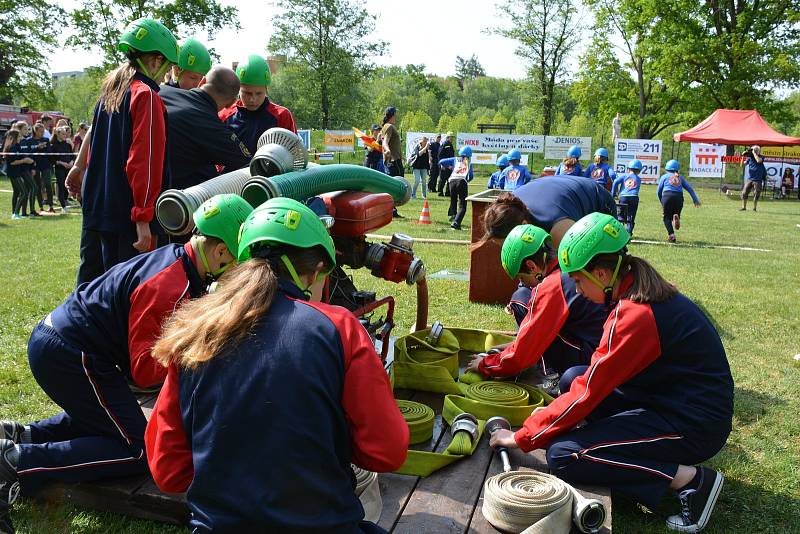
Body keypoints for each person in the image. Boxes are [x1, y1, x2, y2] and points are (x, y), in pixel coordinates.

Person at [145, 197, 408, 532]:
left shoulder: (195, 330)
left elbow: (168, 470)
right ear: (316, 272)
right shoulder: (339, 328)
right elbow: (387, 451)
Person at [0, 195, 253, 533]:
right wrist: (203, 356)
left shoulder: (180, 263)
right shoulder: (170, 286)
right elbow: (144, 369)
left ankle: (23, 435)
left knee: (112, 424)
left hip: (70, 347)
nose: (239, 271)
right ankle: (17, 464)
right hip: (70, 354)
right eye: (239, 261)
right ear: (221, 252)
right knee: (137, 450)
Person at [489, 212, 733, 534]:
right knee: (570, 377)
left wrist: (522, 436)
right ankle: (617, 448)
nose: (576, 288)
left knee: (565, 455)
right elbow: (589, 379)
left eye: (578, 280)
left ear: (602, 274)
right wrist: (553, 419)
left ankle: (691, 481)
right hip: (670, 399)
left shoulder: (635, 315)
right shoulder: (635, 291)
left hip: (695, 422)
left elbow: (589, 390)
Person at [76, 18, 178, 286]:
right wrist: (143, 218)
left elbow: (94, 147)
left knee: (90, 290)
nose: (166, 73)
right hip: (127, 219)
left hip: (98, 210)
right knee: (124, 296)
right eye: (166, 65)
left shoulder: (110, 90)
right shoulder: (146, 95)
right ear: (155, 61)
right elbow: (144, 161)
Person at [467, 224, 606, 393]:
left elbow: (524, 353)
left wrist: (485, 364)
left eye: (521, 277)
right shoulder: (563, 267)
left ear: (532, 267)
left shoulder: (552, 286)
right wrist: (512, 346)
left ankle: (551, 377)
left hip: (593, 357)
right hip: (597, 345)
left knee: (520, 300)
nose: (522, 283)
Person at [160, 66, 252, 191]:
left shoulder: (161, 91)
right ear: (231, 103)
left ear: (202, 82)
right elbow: (249, 166)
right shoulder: (215, 129)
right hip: (174, 200)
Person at [477, 175, 616, 250]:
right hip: (559, 191)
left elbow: (567, 275)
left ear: (525, 225)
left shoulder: (559, 229)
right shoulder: (511, 206)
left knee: (602, 259)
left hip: (598, 199)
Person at [220, 54, 297, 155]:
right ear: (238, 89)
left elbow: (293, 153)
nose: (253, 99)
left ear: (266, 89)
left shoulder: (282, 116)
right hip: (232, 171)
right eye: (247, 93)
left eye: (259, 93)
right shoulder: (224, 116)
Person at [657, 159, 700, 243]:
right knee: (675, 213)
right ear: (677, 169)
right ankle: (676, 216)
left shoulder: (664, 177)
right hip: (679, 197)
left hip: (667, 196)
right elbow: (690, 189)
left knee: (666, 217)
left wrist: (662, 202)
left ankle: (671, 235)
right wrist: (695, 200)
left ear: (666, 169)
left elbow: (659, 191)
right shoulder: (680, 177)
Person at [439, 146, 474, 229]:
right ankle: (456, 223)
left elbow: (441, 161)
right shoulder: (468, 162)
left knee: (453, 201)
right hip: (461, 181)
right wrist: (467, 181)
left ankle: (453, 217)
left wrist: (448, 167)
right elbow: (471, 176)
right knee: (462, 205)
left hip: (452, 181)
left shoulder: (455, 159)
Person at [2, 130, 33, 219]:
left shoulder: (17, 146)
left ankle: (16, 213)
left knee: (18, 192)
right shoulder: (12, 148)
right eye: (19, 137)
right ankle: (15, 214)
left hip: (17, 172)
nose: (21, 138)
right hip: (13, 173)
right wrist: (24, 160)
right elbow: (12, 162)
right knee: (24, 192)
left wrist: (28, 159)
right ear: (14, 138)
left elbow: (21, 157)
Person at [612, 159, 642, 235]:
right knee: (631, 217)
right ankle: (628, 233)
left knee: (620, 215)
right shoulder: (638, 179)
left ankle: (617, 232)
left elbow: (615, 182)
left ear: (628, 168)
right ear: (639, 170)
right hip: (634, 197)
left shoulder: (624, 176)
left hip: (623, 197)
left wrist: (613, 194)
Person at [15, 122, 39, 218]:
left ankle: (25, 212)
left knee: (29, 189)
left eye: (27, 129)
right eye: (25, 129)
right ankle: (31, 211)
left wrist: (33, 165)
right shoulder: (17, 142)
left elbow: (29, 153)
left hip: (28, 169)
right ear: (19, 130)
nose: (27, 131)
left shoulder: (26, 141)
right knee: (34, 187)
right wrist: (25, 160)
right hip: (21, 169)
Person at [50, 126, 75, 214]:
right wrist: (61, 163)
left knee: (67, 186)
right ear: (58, 134)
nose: (65, 136)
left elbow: (72, 155)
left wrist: (71, 162)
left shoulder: (67, 144)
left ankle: (66, 201)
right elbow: (52, 160)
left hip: (68, 168)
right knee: (61, 187)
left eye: (66, 134)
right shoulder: (53, 146)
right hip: (60, 169)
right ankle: (63, 206)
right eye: (63, 134)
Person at [30, 123, 55, 213]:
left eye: (43, 131)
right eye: (40, 131)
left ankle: (51, 206)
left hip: (46, 165)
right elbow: (29, 153)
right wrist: (38, 147)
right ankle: (41, 206)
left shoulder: (46, 139)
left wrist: (44, 147)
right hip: (35, 166)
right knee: (38, 186)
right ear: (35, 131)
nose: (42, 133)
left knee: (48, 184)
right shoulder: (30, 140)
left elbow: (49, 152)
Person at [740, 145, 766, 211]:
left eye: (753, 150)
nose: (751, 151)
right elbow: (742, 165)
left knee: (756, 194)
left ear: (758, 151)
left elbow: (758, 161)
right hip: (750, 179)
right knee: (744, 193)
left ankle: (754, 208)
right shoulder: (750, 158)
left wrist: (754, 153)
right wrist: (743, 156)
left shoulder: (761, 156)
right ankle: (744, 207)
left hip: (758, 179)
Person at [381, 106, 403, 178]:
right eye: (396, 114)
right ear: (393, 114)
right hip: (394, 161)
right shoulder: (389, 126)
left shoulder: (386, 126)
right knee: (400, 185)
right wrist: (387, 150)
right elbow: (385, 142)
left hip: (392, 161)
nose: (396, 116)